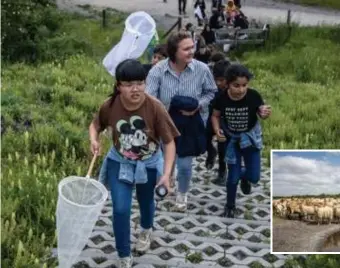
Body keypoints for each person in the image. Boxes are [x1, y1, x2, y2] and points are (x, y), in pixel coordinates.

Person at [89, 59, 180, 268]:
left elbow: (169, 143)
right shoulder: (110, 105)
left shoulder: (155, 107)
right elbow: (95, 125)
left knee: (146, 201)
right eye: (129, 84)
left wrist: (166, 175)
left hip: (148, 164)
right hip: (119, 162)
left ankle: (146, 230)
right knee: (120, 209)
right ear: (119, 86)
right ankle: (123, 254)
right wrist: (94, 140)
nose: (135, 89)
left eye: (140, 82)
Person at [146, 31, 217, 212]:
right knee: (163, 162)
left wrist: (198, 105)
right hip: (165, 123)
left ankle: (182, 194)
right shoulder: (158, 71)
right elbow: (149, 97)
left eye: (192, 47)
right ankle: (165, 184)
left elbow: (211, 92)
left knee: (185, 164)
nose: (191, 51)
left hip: (191, 124)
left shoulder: (202, 69)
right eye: (186, 49)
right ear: (174, 52)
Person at [211, 64, 271, 218]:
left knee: (255, 177)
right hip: (232, 141)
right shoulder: (221, 98)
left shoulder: (253, 96)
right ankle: (230, 206)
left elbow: (260, 111)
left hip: (250, 140)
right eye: (236, 85)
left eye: (244, 85)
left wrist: (264, 112)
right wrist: (217, 130)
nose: (241, 90)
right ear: (228, 84)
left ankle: (245, 177)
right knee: (232, 177)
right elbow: (215, 116)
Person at [205, 59, 230, 186]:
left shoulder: (234, 89)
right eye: (217, 80)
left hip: (225, 122)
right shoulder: (212, 87)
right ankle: (210, 151)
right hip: (211, 117)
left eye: (222, 80)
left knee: (222, 147)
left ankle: (222, 172)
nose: (219, 83)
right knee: (204, 139)